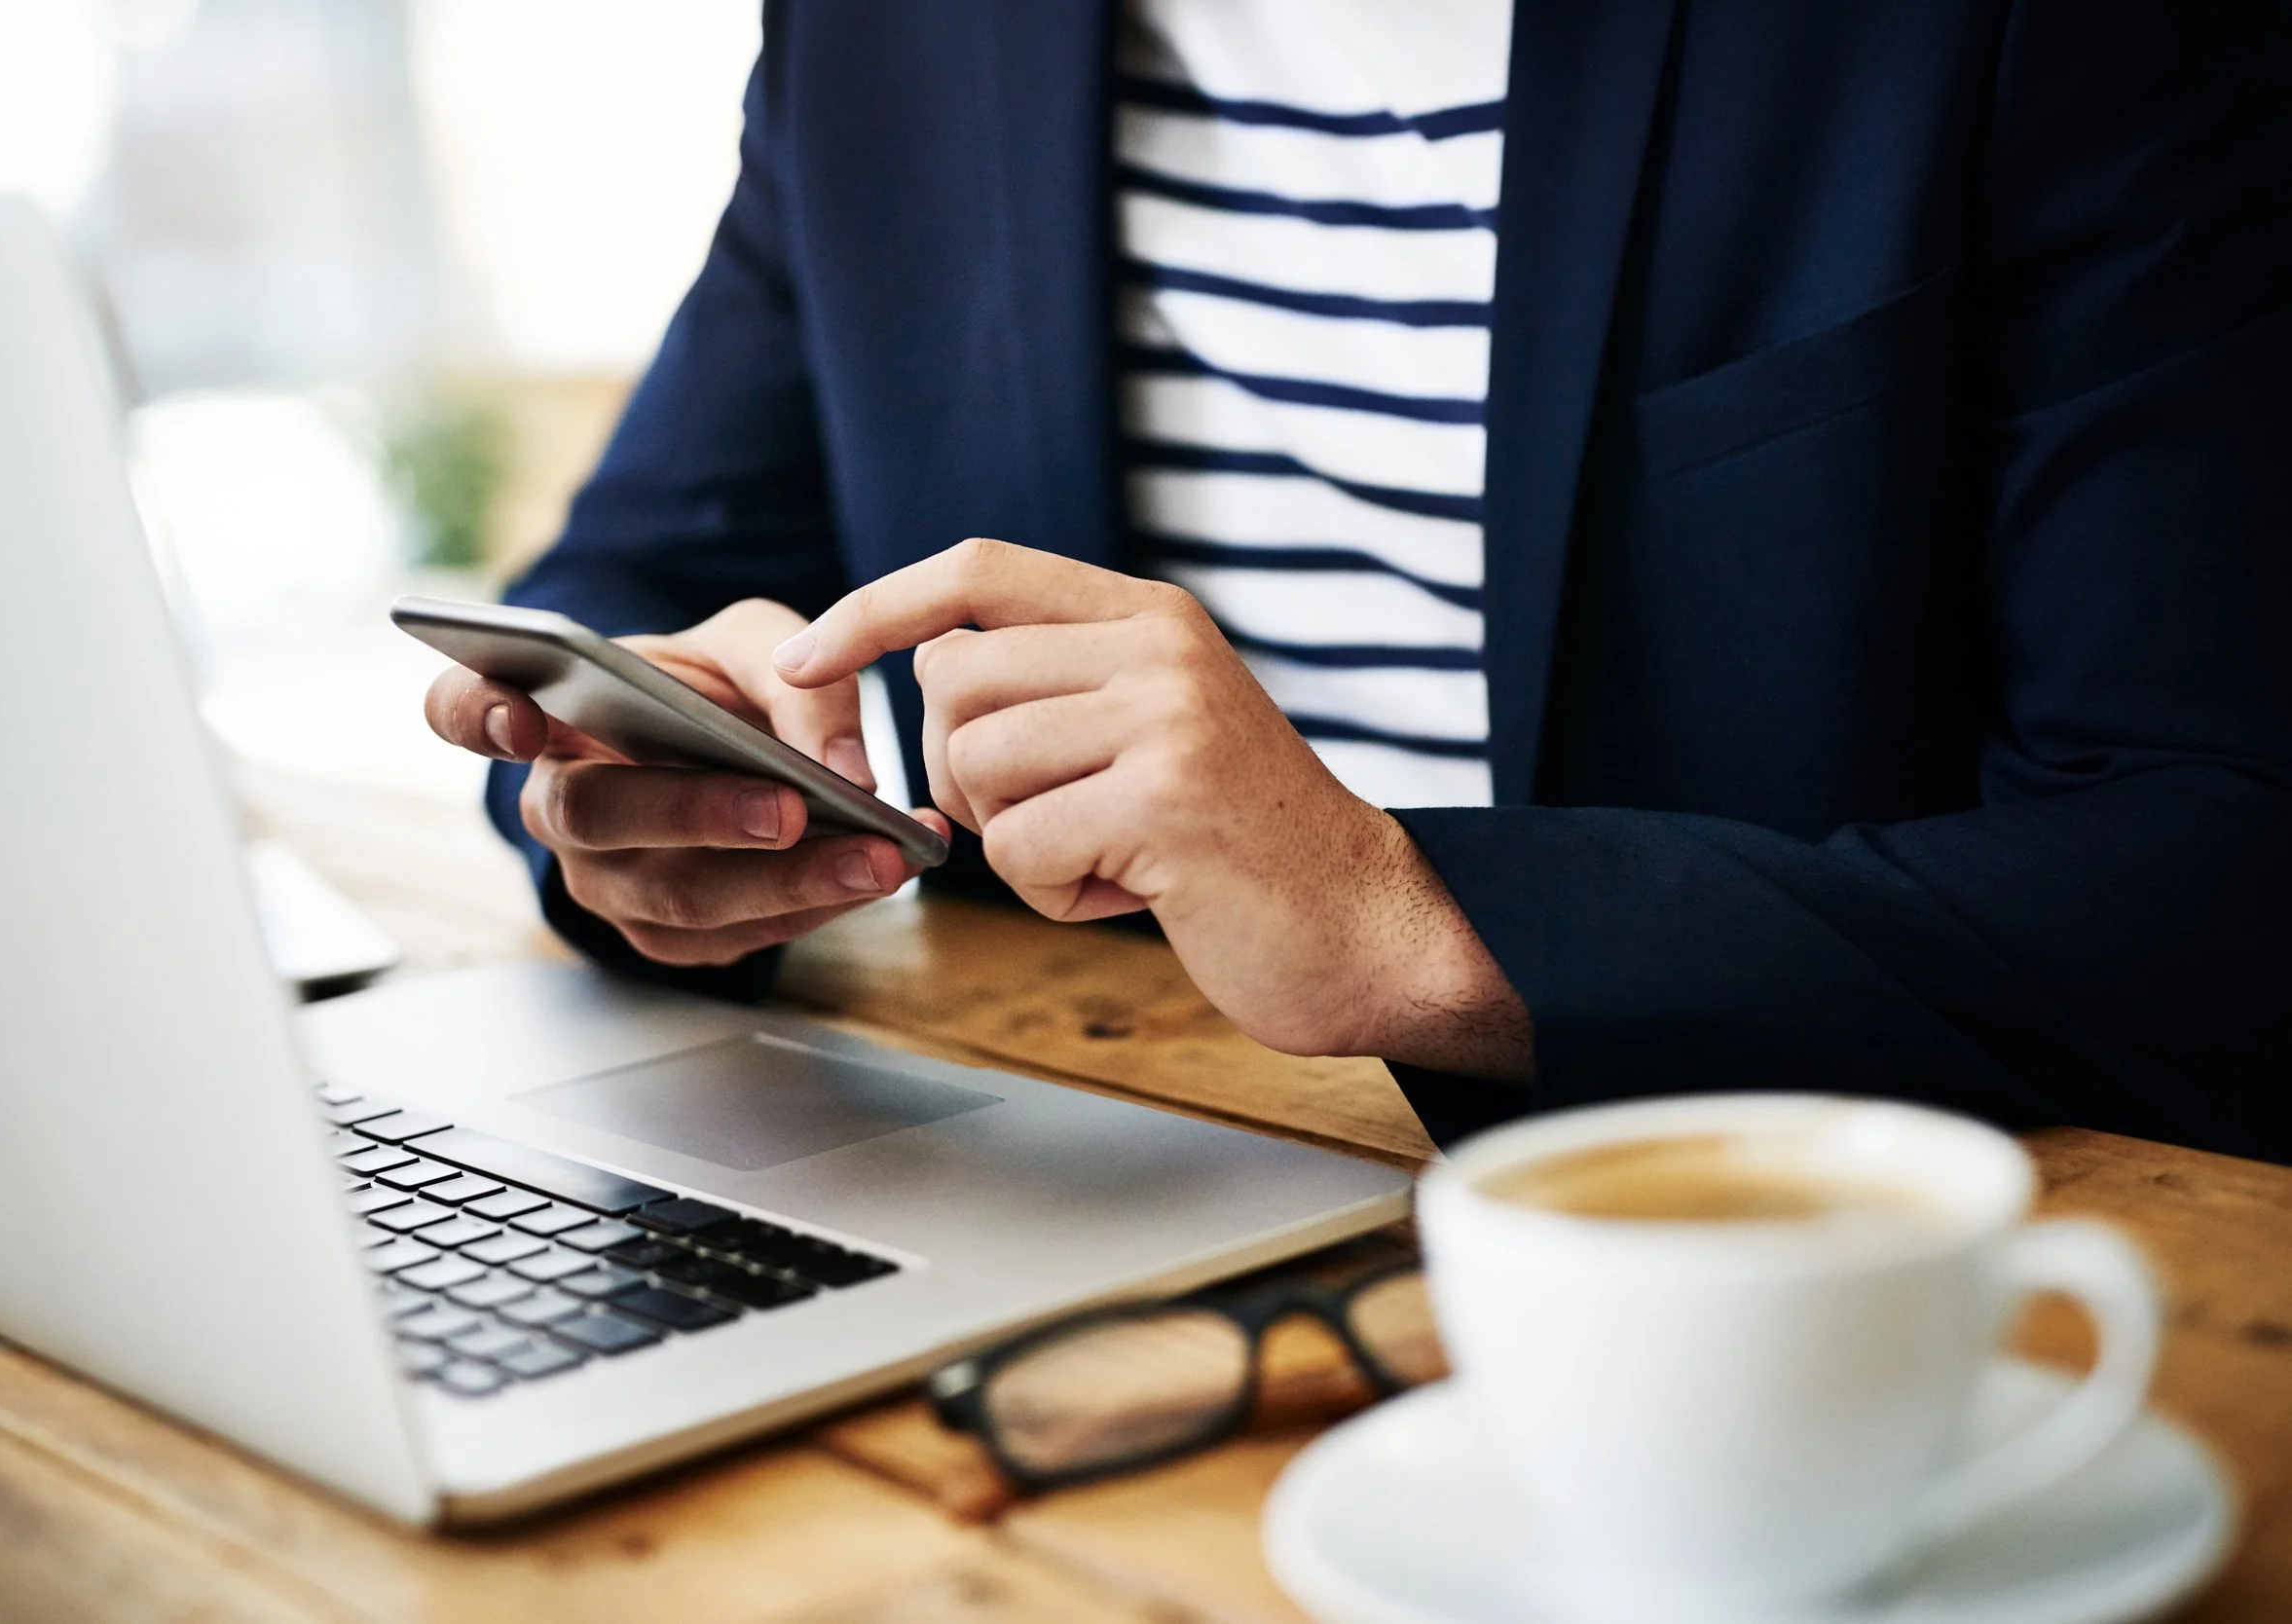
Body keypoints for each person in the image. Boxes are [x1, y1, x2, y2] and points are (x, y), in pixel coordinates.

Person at [425, 0, 2292, 1163]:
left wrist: (1406, 918)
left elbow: (2225, 866)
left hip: (1774, 1247)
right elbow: (632, 591)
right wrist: (638, 801)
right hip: (1059, 1165)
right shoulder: (887, 32)